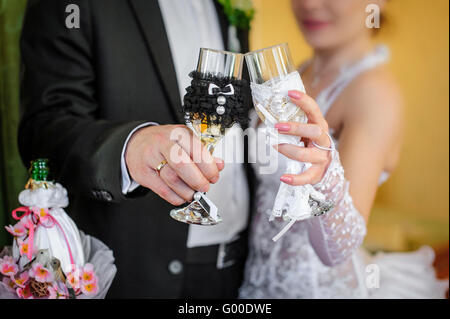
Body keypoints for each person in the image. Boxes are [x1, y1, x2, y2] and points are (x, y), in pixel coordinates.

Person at [19, 0, 254, 298]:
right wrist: (129, 146)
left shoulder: (230, 6)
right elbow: (44, 129)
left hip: (245, 269)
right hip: (136, 273)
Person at [240, 0, 448, 298]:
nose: (310, 4)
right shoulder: (300, 72)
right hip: (256, 281)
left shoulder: (372, 93)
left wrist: (323, 177)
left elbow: (338, 248)